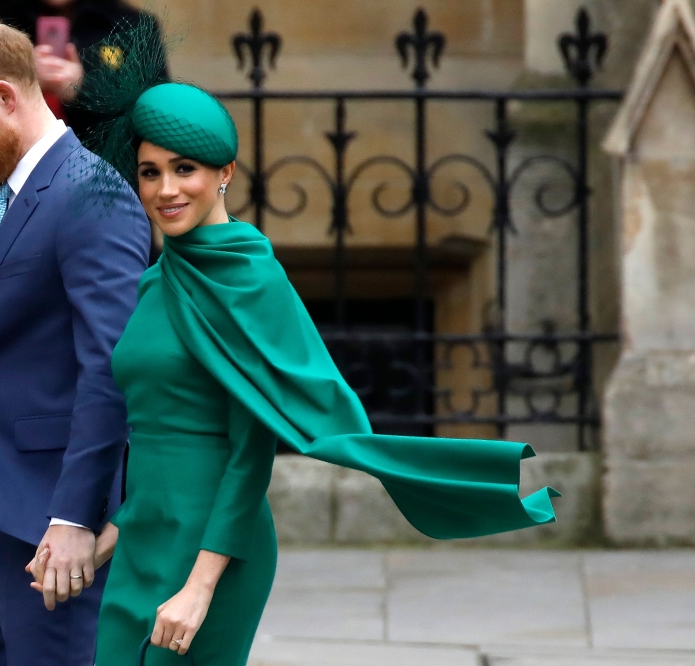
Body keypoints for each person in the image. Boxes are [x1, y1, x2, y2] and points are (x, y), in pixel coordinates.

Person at [29, 21, 560, 666]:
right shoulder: (152, 284)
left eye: (185, 169)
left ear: (224, 172)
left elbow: (250, 452)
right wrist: (97, 540)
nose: (166, 189)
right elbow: (152, 444)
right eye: (149, 172)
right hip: (146, 538)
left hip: (215, 550)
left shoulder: (250, 278)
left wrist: (199, 588)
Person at [0, 16, 148, 666]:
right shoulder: (6, 196)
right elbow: (21, 346)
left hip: (51, 523)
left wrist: (73, 520)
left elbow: (111, 368)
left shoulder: (92, 193)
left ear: (6, 96)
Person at [0, 0, 167, 325]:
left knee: (112, 318)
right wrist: (20, 83)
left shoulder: (130, 24)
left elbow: (154, 118)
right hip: (11, 198)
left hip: (106, 203)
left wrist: (85, 88)